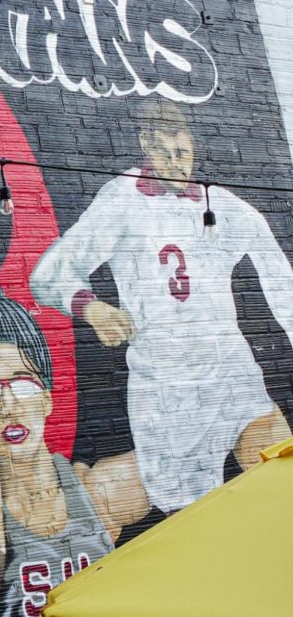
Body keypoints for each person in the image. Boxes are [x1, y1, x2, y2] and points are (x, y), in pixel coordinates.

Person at [29, 100, 293, 514]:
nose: (177, 164)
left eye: (184, 153)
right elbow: (47, 274)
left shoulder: (220, 204)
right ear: (146, 148)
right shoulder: (121, 201)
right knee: (196, 520)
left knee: (283, 481)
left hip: (231, 376)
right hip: (166, 393)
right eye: (166, 154)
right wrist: (92, 308)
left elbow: (280, 277)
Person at [0, 286, 149, 617]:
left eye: (23, 385)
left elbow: (191, 454)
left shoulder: (98, 490)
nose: (9, 407)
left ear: (47, 399)